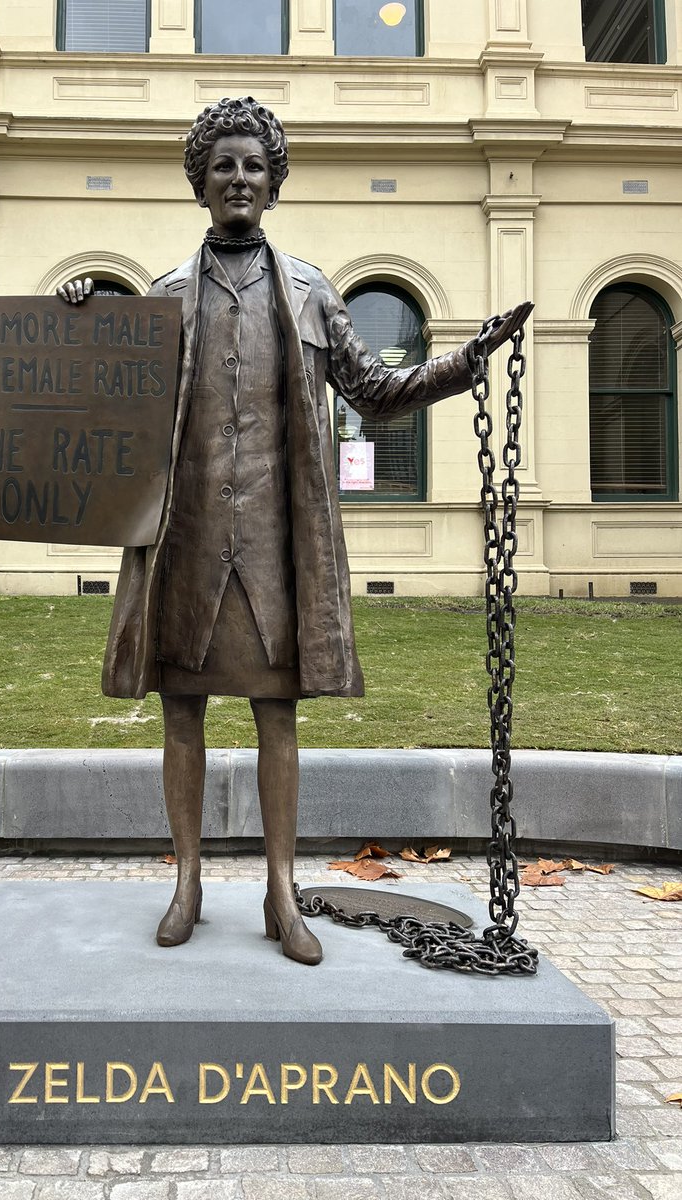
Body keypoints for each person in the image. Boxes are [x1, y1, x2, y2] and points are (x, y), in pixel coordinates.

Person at [59, 96, 531, 965]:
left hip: (277, 547)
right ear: (200, 182)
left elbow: (374, 390)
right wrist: (80, 320)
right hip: (185, 542)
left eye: (253, 165)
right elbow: (102, 415)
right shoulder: (162, 298)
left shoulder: (310, 291)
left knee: (279, 715)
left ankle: (282, 892)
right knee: (182, 713)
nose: (239, 178)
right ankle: (189, 881)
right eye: (224, 164)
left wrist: (466, 364)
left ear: (273, 185)